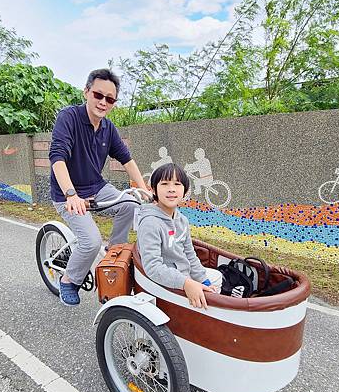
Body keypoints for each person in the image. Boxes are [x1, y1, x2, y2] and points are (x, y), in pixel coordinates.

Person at [49, 68, 148, 306]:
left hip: (97, 187)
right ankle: (69, 280)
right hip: (68, 194)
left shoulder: (108, 128)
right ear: (86, 92)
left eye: (110, 99)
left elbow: (127, 159)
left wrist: (143, 188)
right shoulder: (69, 118)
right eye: (98, 95)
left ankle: (114, 252)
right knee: (91, 241)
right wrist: (70, 194)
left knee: (131, 204)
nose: (103, 102)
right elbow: (57, 157)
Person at [137, 163, 222, 309]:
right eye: (164, 183)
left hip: (183, 274)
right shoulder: (150, 223)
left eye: (177, 184)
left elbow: (190, 255)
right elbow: (153, 267)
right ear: (153, 189)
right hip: (165, 283)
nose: (171, 189)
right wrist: (186, 283)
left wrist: (204, 281)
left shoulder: (182, 220)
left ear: (185, 190)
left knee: (215, 278)